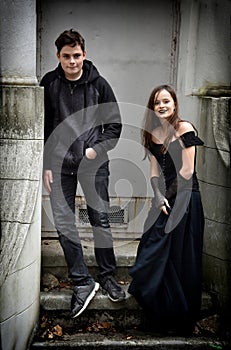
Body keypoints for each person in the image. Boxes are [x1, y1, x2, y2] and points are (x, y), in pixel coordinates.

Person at [40, 29, 126, 318]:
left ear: (84, 54)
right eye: (66, 56)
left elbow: (114, 128)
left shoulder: (99, 85)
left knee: (99, 217)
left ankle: (108, 276)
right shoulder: (49, 83)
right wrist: (47, 165)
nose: (72, 61)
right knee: (64, 221)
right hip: (61, 164)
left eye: (76, 55)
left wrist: (94, 150)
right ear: (58, 57)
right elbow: (43, 129)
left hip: (93, 163)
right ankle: (82, 281)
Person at [128, 84, 204, 335]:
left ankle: (182, 321)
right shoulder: (152, 133)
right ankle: (159, 317)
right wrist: (158, 196)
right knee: (151, 253)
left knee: (182, 259)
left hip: (184, 200)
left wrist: (166, 197)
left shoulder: (185, 128)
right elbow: (153, 170)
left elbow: (187, 171)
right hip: (164, 200)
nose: (161, 106)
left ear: (174, 104)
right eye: (157, 102)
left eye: (166, 102)